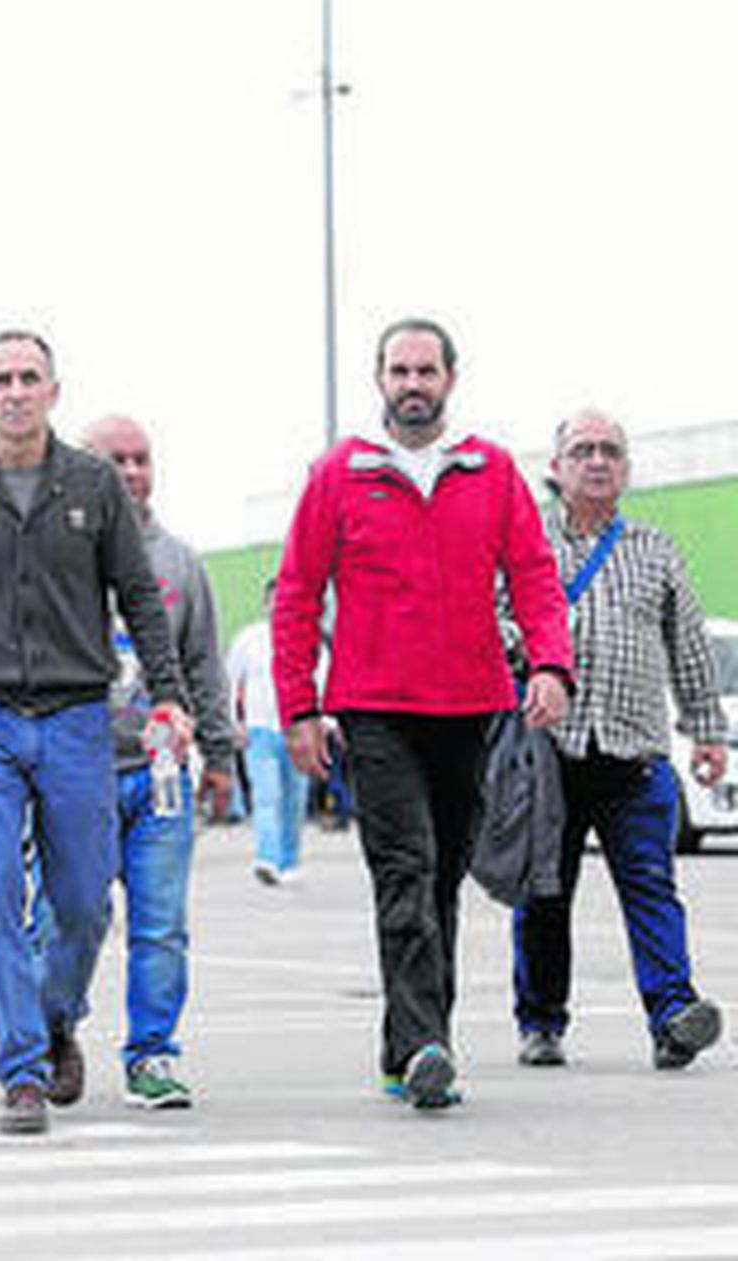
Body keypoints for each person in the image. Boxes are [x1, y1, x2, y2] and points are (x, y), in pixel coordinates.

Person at [0, 331, 191, 1137]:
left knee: (85, 900)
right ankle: (20, 1068)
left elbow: (140, 597)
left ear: (54, 391)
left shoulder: (93, 485)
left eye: (29, 378)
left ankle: (56, 1017)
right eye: (0, 380)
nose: (15, 391)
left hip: (76, 715)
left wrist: (170, 695)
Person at [273, 317, 572, 1110]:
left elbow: (535, 575)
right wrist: (299, 705)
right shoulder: (341, 474)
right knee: (404, 871)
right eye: (399, 370)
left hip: (472, 706)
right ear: (379, 380)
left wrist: (550, 663)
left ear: (449, 379)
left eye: (425, 370)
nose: (412, 383)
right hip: (374, 710)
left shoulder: (492, 469)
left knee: (441, 877)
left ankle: (403, 1046)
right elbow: (297, 591)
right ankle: (428, 1046)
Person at [511, 409, 725, 1071]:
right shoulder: (525, 545)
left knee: (653, 885)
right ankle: (541, 1019)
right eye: (583, 450)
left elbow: (688, 645)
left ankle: (673, 1013)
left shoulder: (655, 549)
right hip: (550, 750)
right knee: (544, 892)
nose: (598, 460)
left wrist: (707, 729)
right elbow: (490, 620)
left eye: (610, 451)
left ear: (626, 469)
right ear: (556, 467)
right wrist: (524, 651)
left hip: (635, 752)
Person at [76, 413, 234, 1109]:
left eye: (142, 458)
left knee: (161, 924)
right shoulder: (59, 555)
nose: (133, 472)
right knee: (69, 918)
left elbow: (203, 663)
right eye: (117, 459)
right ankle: (56, 1028)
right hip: (75, 776)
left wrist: (220, 757)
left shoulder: (180, 562)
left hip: (161, 776)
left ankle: (153, 1053)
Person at [227, 578, 309, 885]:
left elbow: (322, 679)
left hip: (297, 729)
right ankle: (267, 858)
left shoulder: (305, 636)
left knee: (294, 799)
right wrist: (232, 722)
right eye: (273, 599)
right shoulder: (248, 639)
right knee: (266, 795)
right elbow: (230, 680)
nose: (278, 605)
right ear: (265, 604)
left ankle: (289, 860)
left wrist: (322, 722)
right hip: (259, 730)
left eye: (284, 598)